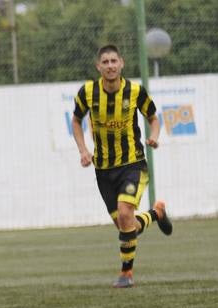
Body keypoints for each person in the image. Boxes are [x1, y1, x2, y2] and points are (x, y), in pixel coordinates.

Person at [71, 44, 173, 288]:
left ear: (121, 63)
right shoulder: (87, 92)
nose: (109, 65)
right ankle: (155, 214)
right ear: (98, 67)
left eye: (113, 61)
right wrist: (83, 150)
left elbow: (153, 119)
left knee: (126, 214)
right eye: (104, 62)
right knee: (127, 227)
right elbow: (76, 120)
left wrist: (155, 136)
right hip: (104, 170)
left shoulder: (136, 91)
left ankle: (126, 273)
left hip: (132, 163)